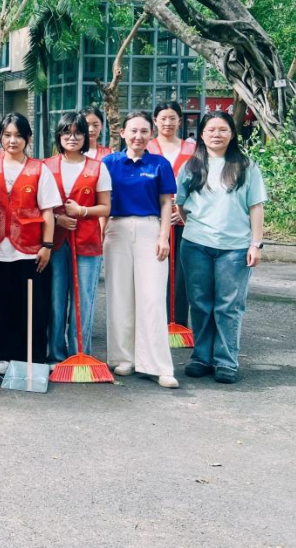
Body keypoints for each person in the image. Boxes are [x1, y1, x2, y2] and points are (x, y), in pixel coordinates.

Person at [176, 111, 267, 384]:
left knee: (229, 306)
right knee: (200, 303)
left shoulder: (246, 166)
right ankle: (201, 357)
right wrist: (197, 228)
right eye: (211, 130)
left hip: (235, 248)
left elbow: (256, 206)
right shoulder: (191, 166)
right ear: (201, 135)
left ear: (232, 134)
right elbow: (180, 205)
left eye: (223, 129)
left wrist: (256, 244)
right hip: (196, 246)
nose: (216, 134)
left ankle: (226, 361)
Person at [102, 111, 179, 388]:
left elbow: (166, 202)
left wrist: (164, 237)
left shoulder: (159, 163)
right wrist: (101, 231)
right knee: (119, 295)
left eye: (144, 131)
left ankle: (157, 365)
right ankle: (123, 357)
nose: (138, 136)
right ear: (122, 133)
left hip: (150, 229)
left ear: (151, 134)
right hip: (116, 229)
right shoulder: (109, 163)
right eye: (133, 130)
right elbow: (103, 200)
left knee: (152, 298)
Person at [0, 113, 60, 374]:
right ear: (0, 137)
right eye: (7, 135)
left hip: (30, 249)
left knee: (34, 307)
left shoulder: (39, 169)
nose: (12, 140)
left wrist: (47, 246)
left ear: (28, 138)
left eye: (18, 135)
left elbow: (48, 211)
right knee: (0, 306)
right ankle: (3, 355)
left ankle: (34, 358)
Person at [44, 112, 112, 364]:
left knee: (83, 300)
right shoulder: (46, 166)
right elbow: (39, 205)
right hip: (56, 242)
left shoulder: (98, 167)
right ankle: (55, 354)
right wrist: (58, 217)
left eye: (78, 133)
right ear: (58, 135)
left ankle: (80, 354)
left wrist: (82, 211)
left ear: (85, 136)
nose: (72, 138)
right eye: (66, 132)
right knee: (56, 299)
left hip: (87, 242)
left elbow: (105, 207)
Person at [148, 100, 196, 330]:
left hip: (184, 219)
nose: (167, 122)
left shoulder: (193, 150)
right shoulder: (146, 147)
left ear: (179, 121)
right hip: (152, 218)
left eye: (172, 118)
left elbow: (200, 184)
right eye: (163, 118)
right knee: (154, 271)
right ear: (155, 121)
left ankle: (178, 323)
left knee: (181, 274)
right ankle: (154, 323)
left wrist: (183, 211)